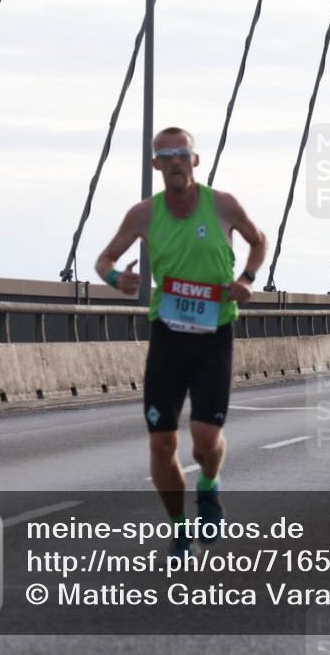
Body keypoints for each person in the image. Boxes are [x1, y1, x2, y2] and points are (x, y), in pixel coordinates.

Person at [95, 127, 267, 558]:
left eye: (181, 153)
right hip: (168, 335)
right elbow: (104, 259)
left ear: (195, 160)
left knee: (206, 440)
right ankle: (179, 526)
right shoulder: (143, 214)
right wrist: (118, 279)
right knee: (161, 443)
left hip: (215, 333)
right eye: (165, 155)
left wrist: (246, 279)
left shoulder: (222, 205)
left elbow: (258, 240)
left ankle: (209, 485)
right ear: (155, 164)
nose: (174, 161)